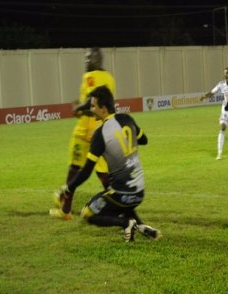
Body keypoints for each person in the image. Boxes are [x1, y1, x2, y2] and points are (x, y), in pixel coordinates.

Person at [53, 86, 161, 242]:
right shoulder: (127, 118)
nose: (91, 109)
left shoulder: (100, 133)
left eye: (93, 106)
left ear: (103, 109)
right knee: (117, 200)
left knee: (88, 213)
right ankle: (143, 227)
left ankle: (126, 223)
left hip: (122, 195)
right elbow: (144, 140)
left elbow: (86, 171)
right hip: (139, 193)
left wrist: (68, 188)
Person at [51, 47, 115, 219]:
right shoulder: (109, 77)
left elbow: (91, 101)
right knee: (100, 174)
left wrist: (78, 108)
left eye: (90, 57)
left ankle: (67, 208)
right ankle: (66, 208)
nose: (87, 61)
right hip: (102, 129)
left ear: (98, 59)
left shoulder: (91, 77)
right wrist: (81, 107)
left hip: (87, 132)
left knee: (77, 169)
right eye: (86, 58)